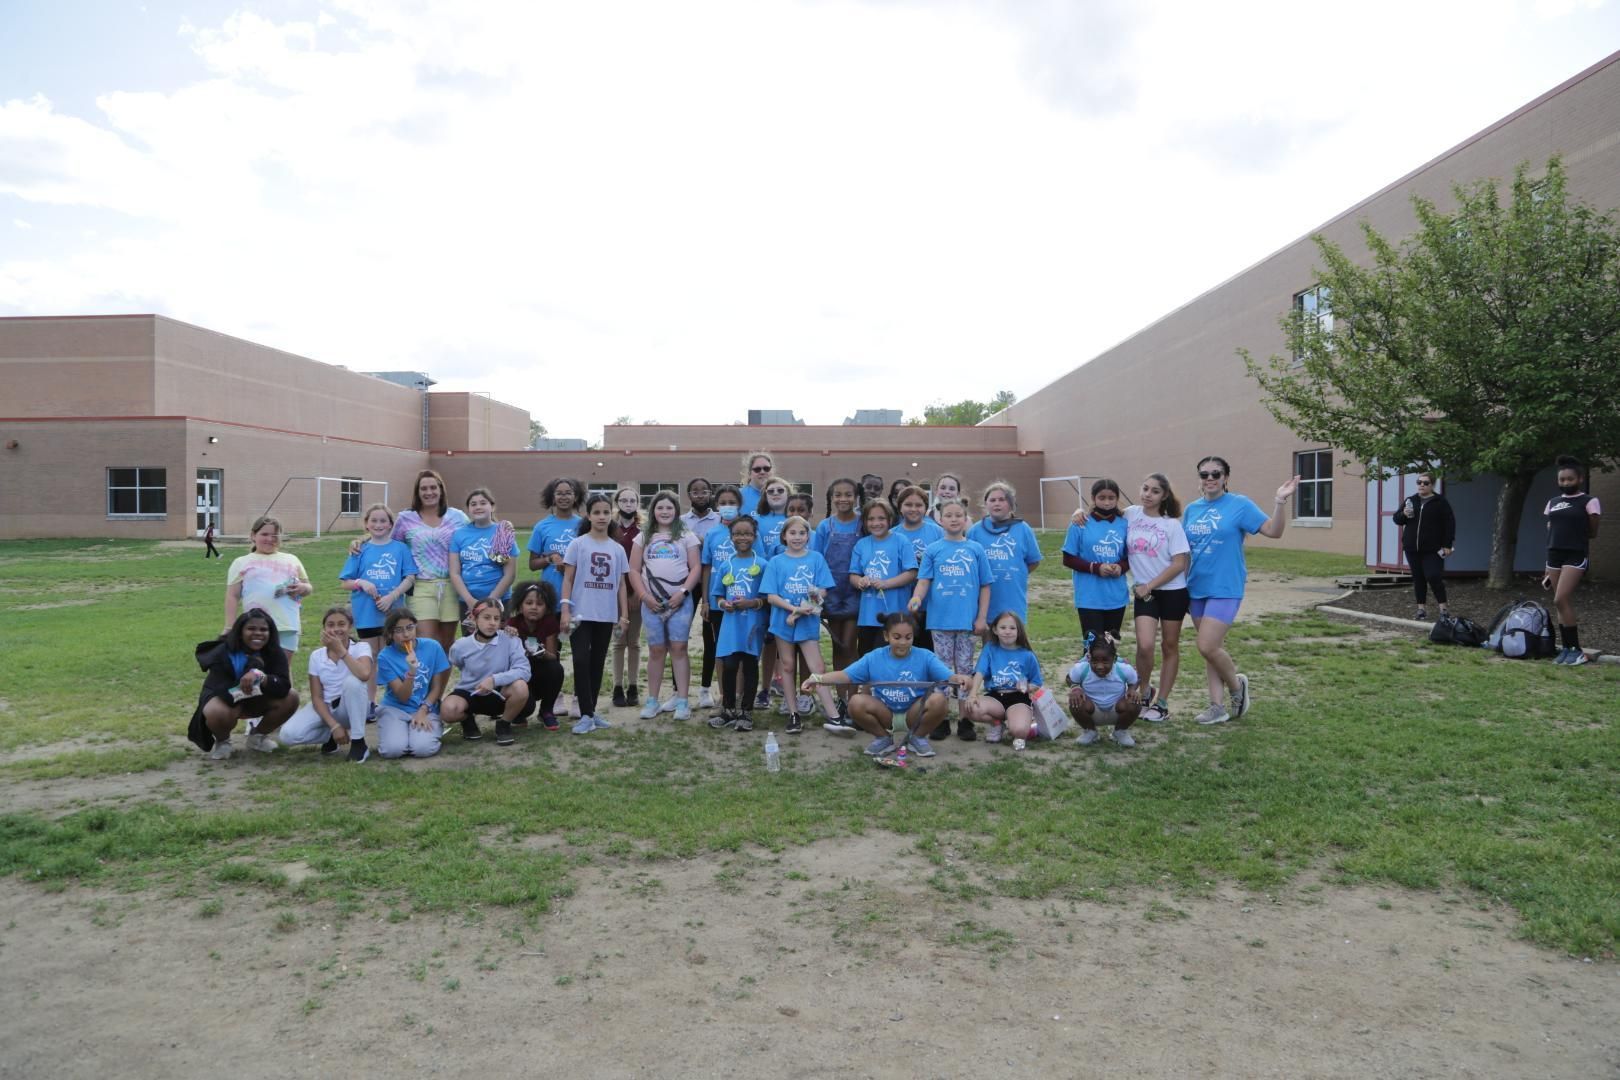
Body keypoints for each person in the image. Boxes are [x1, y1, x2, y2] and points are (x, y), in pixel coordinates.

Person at [1183, 455, 1299, 725]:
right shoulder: (1191, 510)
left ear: (1226, 478)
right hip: (1196, 587)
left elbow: (1273, 531)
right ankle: (1216, 706)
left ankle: (1237, 688)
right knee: (1210, 650)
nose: (1210, 478)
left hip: (1225, 586)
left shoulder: (1239, 504)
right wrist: (1182, 587)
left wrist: (1280, 502)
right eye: (1204, 474)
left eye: (1216, 473)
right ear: (1199, 479)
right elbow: (1185, 552)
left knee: (1207, 645)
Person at [806, 612, 964, 759]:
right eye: (897, 637)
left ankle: (917, 738)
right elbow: (844, 675)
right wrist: (817, 679)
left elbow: (949, 677)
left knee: (939, 699)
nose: (903, 642)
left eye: (908, 637)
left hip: (914, 713)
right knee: (855, 702)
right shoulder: (874, 657)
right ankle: (883, 738)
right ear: (886, 636)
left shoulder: (925, 656)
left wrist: (961, 679)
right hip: (885, 713)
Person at [909, 498, 992, 740]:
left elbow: (986, 586)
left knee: (965, 669)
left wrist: (982, 618)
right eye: (949, 515)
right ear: (940, 519)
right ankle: (941, 718)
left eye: (959, 515)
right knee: (942, 670)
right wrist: (916, 598)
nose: (954, 519)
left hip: (967, 622)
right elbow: (924, 580)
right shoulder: (933, 550)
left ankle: (966, 720)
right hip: (940, 621)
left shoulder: (975, 549)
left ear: (966, 519)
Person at [761, 515, 842, 733]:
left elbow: (823, 588)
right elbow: (771, 596)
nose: (797, 537)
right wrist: (793, 609)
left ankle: (834, 716)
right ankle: (794, 714)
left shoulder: (816, 558)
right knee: (787, 665)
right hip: (782, 622)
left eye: (802, 533)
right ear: (784, 536)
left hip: (808, 621)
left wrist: (806, 607)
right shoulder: (776, 562)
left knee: (817, 668)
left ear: (808, 536)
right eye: (793, 533)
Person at [560, 493, 631, 733]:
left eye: (606, 512)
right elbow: (568, 579)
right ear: (588, 515)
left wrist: (623, 615)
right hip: (580, 614)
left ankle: (590, 712)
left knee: (598, 662)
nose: (601, 517)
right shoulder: (577, 544)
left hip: (606, 614)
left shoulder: (617, 549)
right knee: (580, 660)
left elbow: (621, 584)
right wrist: (565, 610)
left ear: (612, 515)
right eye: (597, 512)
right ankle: (585, 714)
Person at [376, 470, 469, 654]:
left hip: (451, 586)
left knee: (446, 644)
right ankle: (424, 683)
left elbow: (477, 533)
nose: (429, 492)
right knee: (427, 643)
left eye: (433, 487)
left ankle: (439, 685)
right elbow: (388, 543)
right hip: (420, 587)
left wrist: (502, 529)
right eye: (424, 488)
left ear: (441, 490)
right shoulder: (406, 518)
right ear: (417, 493)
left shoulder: (457, 517)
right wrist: (361, 542)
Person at [188, 609, 300, 760]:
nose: (258, 633)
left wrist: (260, 676)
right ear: (240, 631)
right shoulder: (222, 652)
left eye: (263, 629)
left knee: (292, 697)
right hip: (227, 699)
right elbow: (220, 690)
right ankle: (223, 741)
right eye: (251, 629)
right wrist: (244, 684)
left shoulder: (273, 651)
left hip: (257, 699)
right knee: (216, 711)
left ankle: (257, 737)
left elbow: (283, 685)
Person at [1123, 473, 1189, 723]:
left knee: (1169, 646)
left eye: (1155, 491)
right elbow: (1102, 514)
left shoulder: (1171, 524)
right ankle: (1144, 691)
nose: (1147, 494)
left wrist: (1149, 585)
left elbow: (1179, 563)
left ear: (1164, 496)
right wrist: (1079, 512)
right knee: (1145, 645)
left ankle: (1161, 702)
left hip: (1172, 591)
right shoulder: (1130, 514)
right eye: (1145, 488)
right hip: (1145, 594)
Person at [630, 491, 702, 720]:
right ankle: (652, 700)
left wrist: (683, 592)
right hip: (651, 603)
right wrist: (644, 596)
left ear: (676, 511)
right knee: (656, 650)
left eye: (669, 508)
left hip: (679, 603)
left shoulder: (686, 536)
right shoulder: (643, 536)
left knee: (679, 649)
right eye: (660, 508)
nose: (664, 512)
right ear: (653, 511)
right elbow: (633, 569)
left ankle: (682, 701)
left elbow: (696, 568)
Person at [340, 502, 418, 706]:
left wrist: (392, 596)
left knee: (391, 655)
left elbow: (410, 577)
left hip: (391, 614)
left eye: (383, 520)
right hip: (366, 614)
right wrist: (361, 582)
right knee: (370, 657)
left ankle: (396, 699)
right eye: (373, 520)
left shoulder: (400, 548)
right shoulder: (360, 550)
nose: (378, 524)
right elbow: (345, 582)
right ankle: (370, 702)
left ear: (391, 524)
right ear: (366, 524)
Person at [276, 606, 375, 762]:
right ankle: (331, 736)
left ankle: (359, 743)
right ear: (324, 628)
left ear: (350, 626)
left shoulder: (361, 647)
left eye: (341, 624)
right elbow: (317, 697)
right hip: (327, 708)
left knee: (353, 682)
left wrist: (341, 651)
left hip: (351, 708)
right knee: (287, 735)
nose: (336, 629)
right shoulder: (317, 656)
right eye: (330, 625)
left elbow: (364, 674)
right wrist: (334, 726)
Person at [707, 514, 769, 732]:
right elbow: (718, 595)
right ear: (731, 536)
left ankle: (746, 712)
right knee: (730, 665)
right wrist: (724, 604)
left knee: (750, 666)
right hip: (731, 626)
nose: (742, 537)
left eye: (747, 533)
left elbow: (768, 598)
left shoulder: (762, 565)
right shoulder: (726, 565)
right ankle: (728, 709)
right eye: (737, 533)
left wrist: (752, 602)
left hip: (752, 625)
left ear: (754, 536)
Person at [443, 599, 531, 746]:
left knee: (521, 687)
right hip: (471, 693)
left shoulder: (510, 639)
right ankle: (467, 720)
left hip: (500, 693)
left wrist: (494, 680)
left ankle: (504, 724)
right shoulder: (460, 646)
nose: (492, 623)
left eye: (496, 618)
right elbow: (457, 662)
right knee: (447, 710)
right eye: (486, 617)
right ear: (474, 618)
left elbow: (524, 670)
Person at [224, 514, 312, 657]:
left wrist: (303, 588)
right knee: (256, 667)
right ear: (253, 535)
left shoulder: (292, 559)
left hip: (286, 624)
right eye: (264, 534)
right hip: (255, 627)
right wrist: (230, 626)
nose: (270, 539)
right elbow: (232, 596)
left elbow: (308, 587)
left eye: (274, 535)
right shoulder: (241, 562)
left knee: (283, 668)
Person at [812, 478, 864, 719]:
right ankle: (841, 697)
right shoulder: (825, 526)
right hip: (831, 591)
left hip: (855, 590)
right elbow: (816, 560)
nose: (843, 499)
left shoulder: (863, 524)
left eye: (848, 494)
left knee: (849, 644)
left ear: (856, 497)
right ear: (831, 498)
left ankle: (853, 699)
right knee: (837, 646)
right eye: (838, 495)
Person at [1543, 455, 1602, 666]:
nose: (1565, 483)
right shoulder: (1553, 503)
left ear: (1579, 479)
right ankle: (1567, 650)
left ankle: (1577, 650)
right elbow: (1551, 530)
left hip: (1575, 555)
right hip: (1554, 556)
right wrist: (1546, 568)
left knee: (1560, 599)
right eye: (1562, 480)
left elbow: (1592, 532)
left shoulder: (1589, 501)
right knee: (1560, 604)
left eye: (1570, 479)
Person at [374, 608, 451, 758]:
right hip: (395, 708)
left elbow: (436, 687)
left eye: (410, 627)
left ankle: (427, 730)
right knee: (392, 750)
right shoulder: (385, 657)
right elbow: (403, 697)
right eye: (399, 630)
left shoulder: (432, 647)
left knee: (423, 749)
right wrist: (411, 672)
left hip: (425, 707)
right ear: (390, 633)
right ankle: (399, 730)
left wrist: (423, 710)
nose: (406, 634)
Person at [1061, 479, 1130, 645]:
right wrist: (1095, 568)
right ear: (1093, 498)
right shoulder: (1080, 523)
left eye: (1111, 498)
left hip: (1116, 597)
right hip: (1089, 597)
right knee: (1092, 648)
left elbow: (1130, 557)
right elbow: (1068, 558)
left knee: (1110, 646)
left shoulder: (1125, 524)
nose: (1107, 502)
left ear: (1117, 499)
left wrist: (1120, 567)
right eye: (1102, 497)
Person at [963, 611, 1044, 749]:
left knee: (1018, 731)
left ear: (1019, 631)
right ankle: (996, 724)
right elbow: (980, 672)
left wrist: (1026, 687)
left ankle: (1024, 722)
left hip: (1018, 698)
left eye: (1012, 628)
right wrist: (972, 694)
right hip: (996, 697)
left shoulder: (1027, 655)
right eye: (1003, 627)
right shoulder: (990, 649)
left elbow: (1037, 683)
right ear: (995, 629)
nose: (1007, 632)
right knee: (971, 708)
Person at [849, 499, 919, 657]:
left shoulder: (901, 541)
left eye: (881, 518)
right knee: (868, 658)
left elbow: (912, 573)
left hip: (896, 615)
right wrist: (860, 581)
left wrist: (887, 583)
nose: (876, 523)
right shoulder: (861, 544)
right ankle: (868, 684)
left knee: (894, 657)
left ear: (890, 519)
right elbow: (853, 575)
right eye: (871, 519)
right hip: (868, 616)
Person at [968, 481, 1043, 624]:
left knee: (1012, 640)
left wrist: (1016, 572)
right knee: (989, 642)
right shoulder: (975, 531)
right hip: (986, 600)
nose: (997, 503)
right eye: (992, 500)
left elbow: (1034, 561)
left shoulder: (1023, 528)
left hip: (1012, 597)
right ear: (986, 504)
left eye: (1002, 500)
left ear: (1010, 504)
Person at [449, 488, 519, 632]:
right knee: (472, 647)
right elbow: (455, 573)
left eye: (483, 503)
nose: (478, 507)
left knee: (500, 644)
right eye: (473, 504)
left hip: (499, 600)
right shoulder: (459, 535)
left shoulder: (503, 532)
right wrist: (469, 601)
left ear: (492, 506)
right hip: (468, 602)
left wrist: (490, 601)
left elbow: (510, 574)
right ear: (468, 509)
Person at [681, 477, 723, 709]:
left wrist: (702, 540)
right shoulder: (680, 521)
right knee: (680, 637)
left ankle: (706, 688)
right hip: (686, 581)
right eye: (695, 491)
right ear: (689, 495)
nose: (700, 495)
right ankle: (679, 690)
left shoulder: (719, 519)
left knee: (710, 638)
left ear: (710, 494)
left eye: (704, 491)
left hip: (710, 582)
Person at [1392, 472, 1456, 620]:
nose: (1421, 485)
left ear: (1432, 485)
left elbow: (1449, 524)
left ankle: (1444, 610)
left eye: (1425, 483)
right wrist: (1403, 514)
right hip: (1412, 548)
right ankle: (1421, 610)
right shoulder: (1411, 500)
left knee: (1434, 576)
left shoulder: (1440, 502)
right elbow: (1397, 519)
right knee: (1418, 579)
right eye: (1419, 482)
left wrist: (1447, 544)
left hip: (1433, 549)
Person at [507, 580, 564, 731]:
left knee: (556, 669)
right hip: (520, 674)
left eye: (539, 604)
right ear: (520, 606)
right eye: (529, 603)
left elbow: (553, 656)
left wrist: (542, 652)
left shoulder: (550, 623)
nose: (534, 607)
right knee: (527, 707)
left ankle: (546, 711)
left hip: (541, 669)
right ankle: (519, 713)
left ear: (546, 608)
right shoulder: (512, 623)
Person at [892, 485, 944, 650]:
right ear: (899, 507)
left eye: (919, 505)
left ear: (926, 508)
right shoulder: (892, 535)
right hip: (901, 601)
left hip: (932, 603)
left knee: (929, 649)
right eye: (908, 504)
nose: (913, 509)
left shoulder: (938, 532)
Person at [1066, 636, 1142, 748]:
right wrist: (1075, 688)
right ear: (1089, 658)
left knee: (1134, 701)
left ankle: (1120, 732)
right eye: (1095, 661)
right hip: (1092, 711)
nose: (1100, 666)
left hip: (1117, 710)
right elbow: (1069, 677)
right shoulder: (1082, 668)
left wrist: (1132, 689)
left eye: (1105, 661)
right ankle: (1090, 731)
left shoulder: (1123, 669)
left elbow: (1136, 678)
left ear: (1114, 659)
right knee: (1075, 700)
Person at [607, 486, 644, 710]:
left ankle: (633, 685)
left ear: (637, 504)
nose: (628, 504)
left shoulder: (643, 531)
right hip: (614, 596)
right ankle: (617, 686)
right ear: (617, 503)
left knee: (635, 642)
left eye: (632, 500)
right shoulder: (611, 530)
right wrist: (622, 596)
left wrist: (636, 593)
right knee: (618, 642)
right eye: (624, 500)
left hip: (636, 595)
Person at [526, 476, 585, 600]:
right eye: (559, 494)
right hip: (550, 595)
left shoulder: (584, 525)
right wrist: (550, 559)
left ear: (576, 497)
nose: (564, 497)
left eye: (568, 493)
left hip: (578, 594)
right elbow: (532, 564)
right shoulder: (541, 526)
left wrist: (570, 566)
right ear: (553, 498)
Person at [739, 451, 775, 516]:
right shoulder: (738, 496)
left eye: (766, 469)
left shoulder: (782, 495)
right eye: (757, 469)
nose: (762, 472)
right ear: (749, 473)